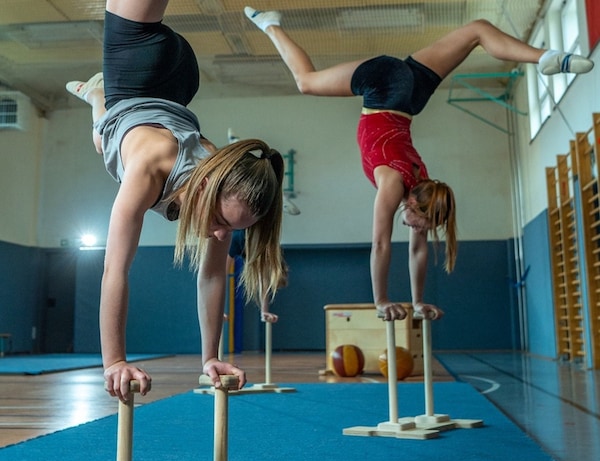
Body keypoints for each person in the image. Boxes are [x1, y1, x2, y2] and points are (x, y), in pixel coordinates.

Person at [243, 6, 594, 321]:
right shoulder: (395, 184)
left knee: (476, 29)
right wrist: (381, 300)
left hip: (411, 96)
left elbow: (417, 250)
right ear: (413, 203)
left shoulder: (425, 184)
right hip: (383, 87)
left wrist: (417, 302)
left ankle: (547, 56)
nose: (415, 228)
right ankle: (270, 25)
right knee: (306, 82)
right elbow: (381, 244)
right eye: (418, 221)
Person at [66, 0, 286, 401]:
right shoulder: (148, 170)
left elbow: (212, 276)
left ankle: (97, 97)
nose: (220, 233)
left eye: (230, 230)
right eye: (221, 221)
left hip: (162, 94)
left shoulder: (224, 194)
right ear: (205, 186)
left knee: (102, 142)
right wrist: (114, 361)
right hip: (140, 68)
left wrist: (210, 358)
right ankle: (101, 99)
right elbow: (115, 268)